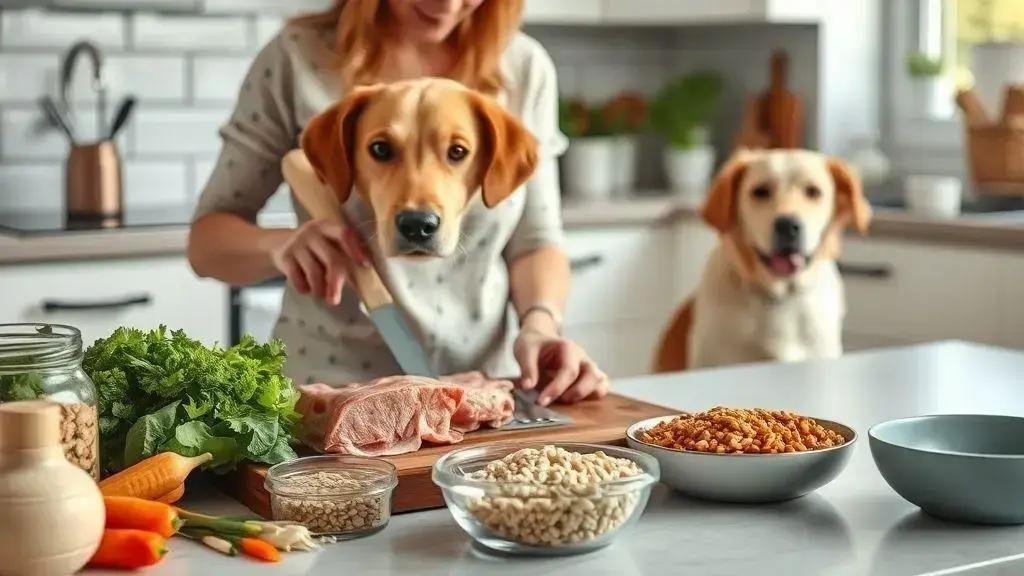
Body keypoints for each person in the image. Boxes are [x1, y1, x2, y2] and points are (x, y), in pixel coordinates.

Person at [187, 0, 608, 406]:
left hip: (479, 388)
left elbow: (536, 241)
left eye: (456, 153)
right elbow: (206, 244)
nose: (447, 4)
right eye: (383, 151)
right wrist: (279, 246)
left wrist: (540, 326)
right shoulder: (297, 57)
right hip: (328, 393)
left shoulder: (522, 67)